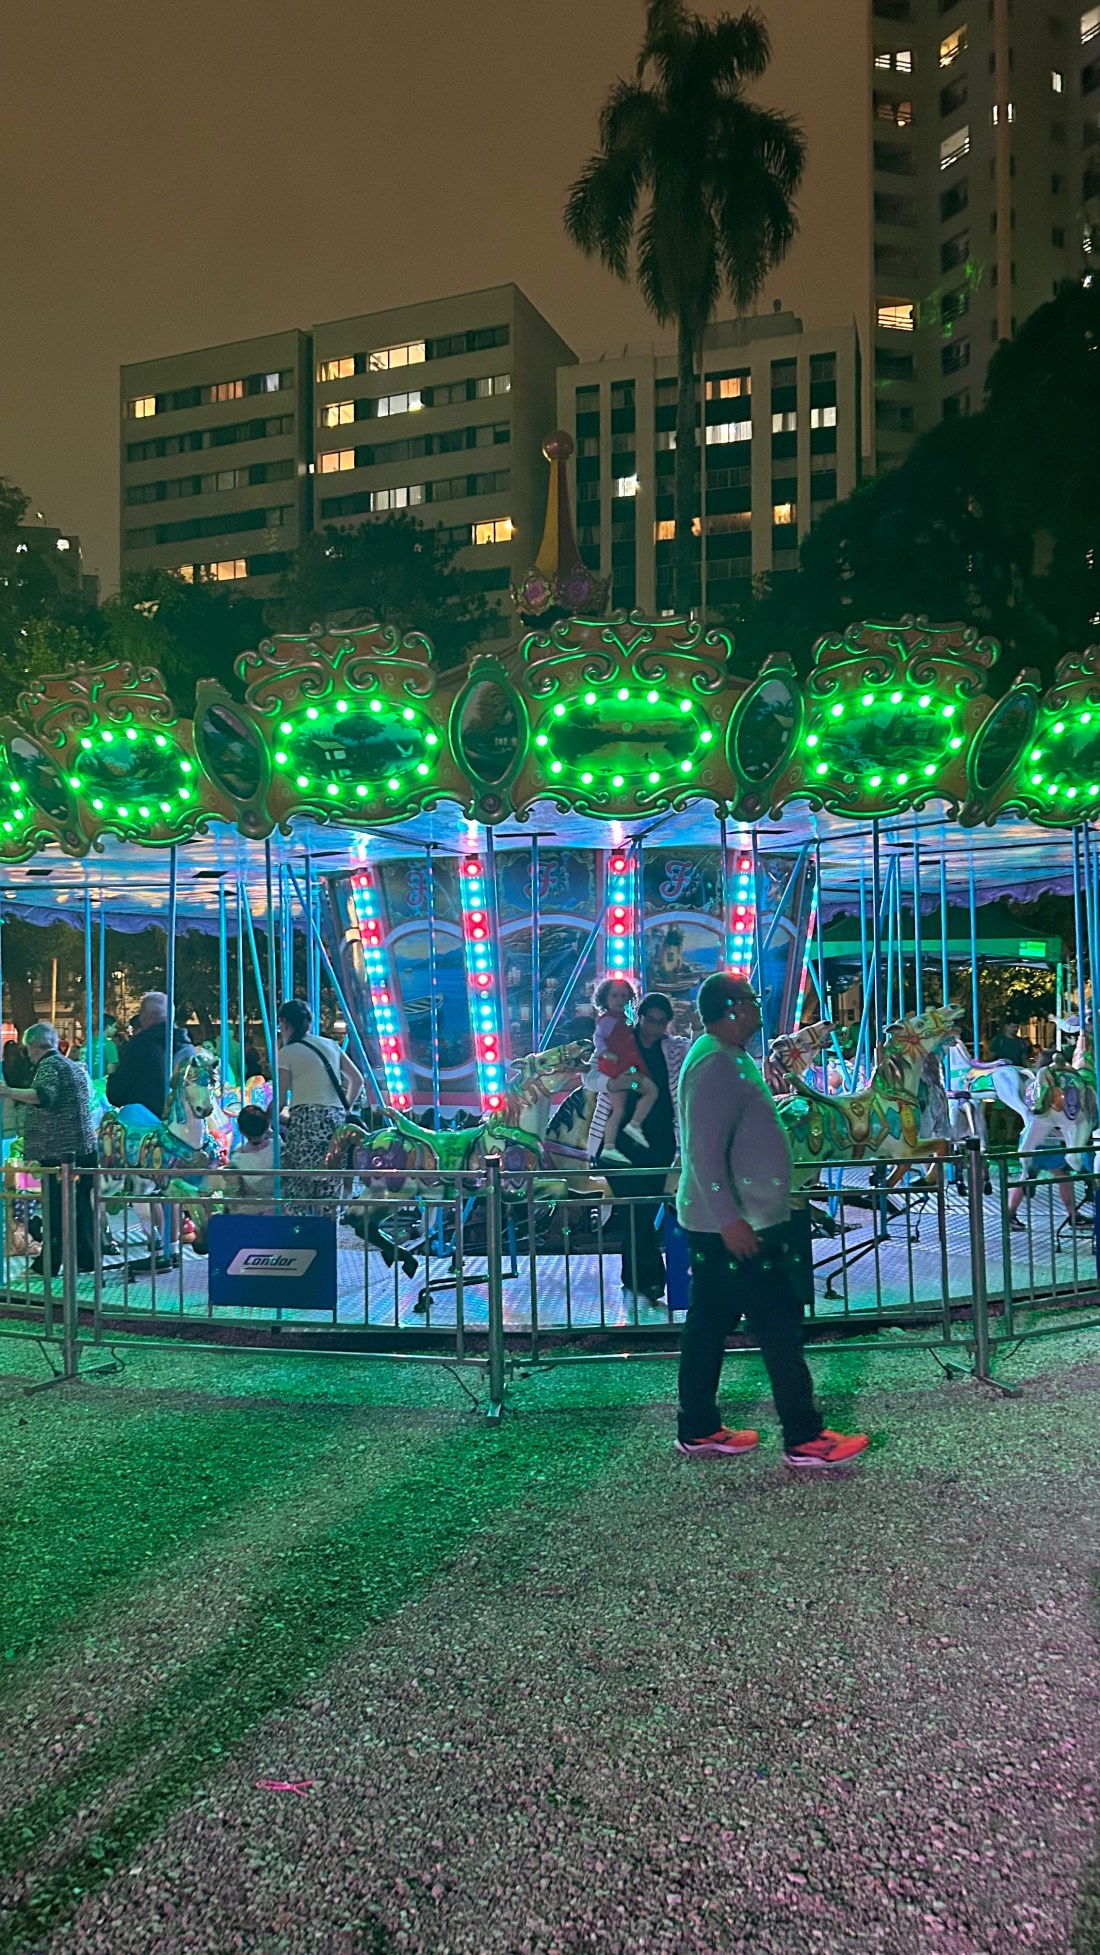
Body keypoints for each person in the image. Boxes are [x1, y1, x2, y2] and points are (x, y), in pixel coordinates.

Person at [675, 972, 869, 1468]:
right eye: (752, 1000)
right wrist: (729, 1219)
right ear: (733, 1008)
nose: (759, 1008)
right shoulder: (716, 1063)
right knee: (778, 1325)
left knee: (709, 1323)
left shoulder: (726, 1057)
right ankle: (804, 1437)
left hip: (734, 1220)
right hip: (740, 1225)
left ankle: (698, 1426)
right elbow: (703, 1151)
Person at [589, 991, 687, 1310]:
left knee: (641, 1210)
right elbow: (590, 1076)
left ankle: (634, 1277)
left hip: (657, 1141)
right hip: (619, 1142)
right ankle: (651, 1277)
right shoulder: (619, 1039)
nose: (655, 1028)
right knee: (636, 1210)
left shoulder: (673, 1050)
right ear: (640, 1016)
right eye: (650, 1020)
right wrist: (614, 1083)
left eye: (661, 1022)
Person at [0, 1022, 97, 1275]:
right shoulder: (70, 1065)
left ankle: (48, 1264)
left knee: (56, 1209)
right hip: (82, 1149)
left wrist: (9, 1092)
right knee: (80, 1208)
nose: (27, 1055)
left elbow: (44, 1096)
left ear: (34, 1046)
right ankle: (86, 1258)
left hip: (60, 1153)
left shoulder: (49, 1065)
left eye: (26, 1049)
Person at [275, 998, 364, 1208]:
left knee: (300, 1187)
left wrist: (268, 1117)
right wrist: (344, 1108)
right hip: (335, 1123)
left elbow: (280, 1099)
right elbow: (357, 1080)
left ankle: (301, 1229)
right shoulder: (330, 1044)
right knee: (329, 1186)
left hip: (305, 1123)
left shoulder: (287, 1053)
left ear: (285, 1022)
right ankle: (328, 1227)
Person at [585, 978, 658, 1165]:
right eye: (615, 996)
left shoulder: (623, 1020)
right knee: (645, 1093)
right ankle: (629, 1129)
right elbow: (598, 1038)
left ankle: (618, 1139)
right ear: (605, 998)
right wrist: (606, 1052)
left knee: (622, 1107)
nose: (619, 1000)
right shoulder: (608, 1020)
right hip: (618, 1068)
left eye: (624, 996)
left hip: (625, 1066)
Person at [106, 991, 195, 1118]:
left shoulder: (141, 1045)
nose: (140, 1018)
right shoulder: (188, 1048)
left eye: (141, 1013)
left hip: (145, 1120)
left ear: (152, 1016)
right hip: (181, 1120)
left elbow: (118, 1091)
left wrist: (112, 1079)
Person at [227, 1104, 277, 1209]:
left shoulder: (237, 1160)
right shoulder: (278, 1147)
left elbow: (234, 1194)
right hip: (279, 1206)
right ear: (267, 1126)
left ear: (241, 1131)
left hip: (253, 1210)